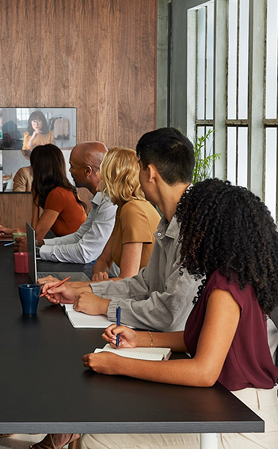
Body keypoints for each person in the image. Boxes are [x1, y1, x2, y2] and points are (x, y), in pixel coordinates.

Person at [78, 178, 278, 449]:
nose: (185, 232)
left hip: (244, 424)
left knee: (98, 440)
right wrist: (140, 339)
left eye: (190, 223)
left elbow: (203, 372)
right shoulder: (229, 276)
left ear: (209, 231)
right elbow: (201, 339)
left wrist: (117, 365)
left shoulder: (226, 289)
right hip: (229, 406)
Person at [39, 128, 200, 328]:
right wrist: (79, 290)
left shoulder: (193, 228)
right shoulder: (167, 220)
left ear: (149, 173)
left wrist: (103, 305)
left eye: (138, 168)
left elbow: (169, 315)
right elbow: (143, 284)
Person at [17, 141, 118, 265]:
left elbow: (84, 253)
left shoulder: (109, 203)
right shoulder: (100, 198)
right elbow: (78, 236)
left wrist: (37, 250)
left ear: (88, 171)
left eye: (72, 166)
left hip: (95, 265)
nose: (69, 171)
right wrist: (41, 244)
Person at [90, 147, 161, 281]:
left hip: (145, 298)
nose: (98, 175)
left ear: (114, 176)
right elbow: (103, 261)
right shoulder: (123, 208)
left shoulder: (133, 209)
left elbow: (127, 280)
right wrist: (100, 275)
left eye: (101, 170)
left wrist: (76, 287)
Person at [0, 144, 86, 242]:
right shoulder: (63, 190)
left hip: (75, 250)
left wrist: (35, 200)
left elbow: (37, 236)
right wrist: (10, 231)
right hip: (72, 246)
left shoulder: (58, 194)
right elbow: (37, 229)